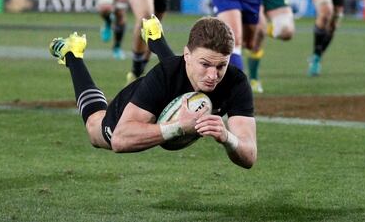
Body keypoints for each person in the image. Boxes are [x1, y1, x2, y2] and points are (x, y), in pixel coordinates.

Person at [48, 16, 257, 169]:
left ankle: (155, 37)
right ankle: (72, 54)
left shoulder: (236, 82)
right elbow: (120, 141)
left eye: (221, 66)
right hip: (157, 94)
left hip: (177, 75)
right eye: (205, 64)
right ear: (187, 54)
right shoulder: (162, 77)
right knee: (95, 129)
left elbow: (249, 156)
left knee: (182, 74)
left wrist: (227, 138)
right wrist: (178, 126)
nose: (213, 75)